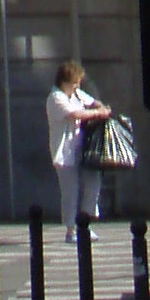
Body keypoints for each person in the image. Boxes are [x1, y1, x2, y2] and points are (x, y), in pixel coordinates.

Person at [46, 58, 114, 240]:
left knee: (92, 183)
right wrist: (97, 113)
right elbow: (75, 114)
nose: (77, 86)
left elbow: (93, 102)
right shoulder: (56, 98)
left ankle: (86, 222)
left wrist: (100, 107)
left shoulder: (76, 95)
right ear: (65, 81)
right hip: (64, 152)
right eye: (74, 82)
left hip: (83, 149)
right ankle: (71, 229)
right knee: (71, 191)